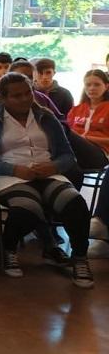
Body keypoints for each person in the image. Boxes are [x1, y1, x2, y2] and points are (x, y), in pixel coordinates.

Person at [0, 73, 93, 288]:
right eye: (17, 96)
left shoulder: (45, 116)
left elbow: (68, 154)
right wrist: (13, 169)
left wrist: (54, 166)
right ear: (3, 98)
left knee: (75, 204)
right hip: (8, 175)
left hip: (47, 171)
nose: (25, 99)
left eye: (28, 93)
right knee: (27, 208)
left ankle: (80, 258)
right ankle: (9, 250)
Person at [66, 69, 109, 258]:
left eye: (97, 84)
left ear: (106, 86)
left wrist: (86, 137)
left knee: (65, 133)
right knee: (67, 158)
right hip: (75, 156)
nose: (91, 88)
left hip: (101, 155)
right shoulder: (77, 109)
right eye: (88, 84)